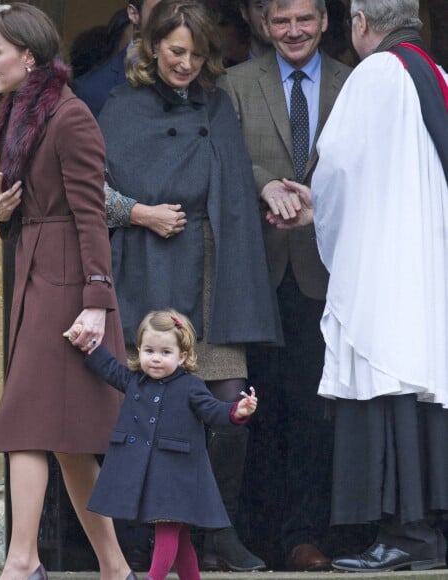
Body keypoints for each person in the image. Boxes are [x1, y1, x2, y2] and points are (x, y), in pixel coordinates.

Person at [99, 0, 280, 572]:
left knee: (227, 403)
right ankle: (141, 541)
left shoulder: (218, 104)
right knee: (144, 413)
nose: (187, 63)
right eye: (178, 51)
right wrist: (139, 213)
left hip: (212, 268)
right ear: (154, 46)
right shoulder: (121, 106)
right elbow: (87, 191)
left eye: (198, 54)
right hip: (149, 266)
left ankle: (217, 534)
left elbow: (230, 184)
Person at [267, 0, 448, 572]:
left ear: (360, 24)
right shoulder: (438, 74)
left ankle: (405, 536)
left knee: (387, 381)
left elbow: (339, 165)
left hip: (386, 268)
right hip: (428, 261)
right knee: (425, 388)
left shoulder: (375, 72)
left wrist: (314, 214)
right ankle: (427, 535)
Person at [0, 4, 134, 579]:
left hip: (70, 289)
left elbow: (92, 215)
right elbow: (31, 210)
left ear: (29, 57)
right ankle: (115, 569)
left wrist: (96, 300)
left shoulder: (70, 117)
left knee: (26, 420)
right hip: (38, 275)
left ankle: (21, 563)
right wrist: (0, 215)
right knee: (63, 440)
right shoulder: (20, 114)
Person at [217, 0, 351, 572]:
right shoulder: (233, 84)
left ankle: (304, 536)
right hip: (256, 274)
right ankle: (257, 536)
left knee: (316, 410)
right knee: (258, 410)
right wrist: (265, 182)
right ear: (261, 25)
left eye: (304, 19)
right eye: (280, 21)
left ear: (325, 21)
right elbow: (219, 159)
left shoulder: (355, 84)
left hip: (332, 273)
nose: (292, 31)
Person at [64, 310, 260, 580]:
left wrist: (238, 411)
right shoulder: (134, 380)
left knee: (167, 530)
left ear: (182, 356)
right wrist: (89, 345)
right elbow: (108, 368)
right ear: (139, 351)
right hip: (150, 476)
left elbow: (213, 410)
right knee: (180, 539)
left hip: (178, 475)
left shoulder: (191, 385)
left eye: (165, 352)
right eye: (149, 350)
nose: (155, 358)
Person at [72, 0, 162, 118]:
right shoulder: (92, 91)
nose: (174, 20)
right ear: (134, 14)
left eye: (180, 9)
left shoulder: (191, 78)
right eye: (160, 12)